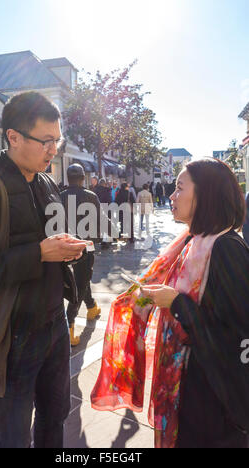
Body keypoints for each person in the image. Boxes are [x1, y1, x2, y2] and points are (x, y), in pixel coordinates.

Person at [0, 92, 88, 448]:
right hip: (14, 334)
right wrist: (38, 255)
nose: (53, 150)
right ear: (13, 137)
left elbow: (49, 244)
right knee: (12, 434)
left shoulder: (45, 183)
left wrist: (67, 252)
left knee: (55, 415)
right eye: (46, 141)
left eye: (57, 140)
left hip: (55, 322)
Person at [91, 158, 249, 448]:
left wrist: (177, 304)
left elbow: (238, 334)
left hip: (215, 403)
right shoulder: (193, 241)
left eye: (179, 188)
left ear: (206, 196)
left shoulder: (227, 249)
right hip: (190, 389)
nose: (172, 196)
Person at [61, 164, 101, 346]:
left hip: (66, 244)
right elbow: (100, 220)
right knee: (81, 281)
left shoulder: (60, 196)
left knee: (83, 279)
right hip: (87, 245)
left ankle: (91, 307)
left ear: (68, 177)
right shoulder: (90, 196)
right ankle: (69, 324)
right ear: (83, 178)